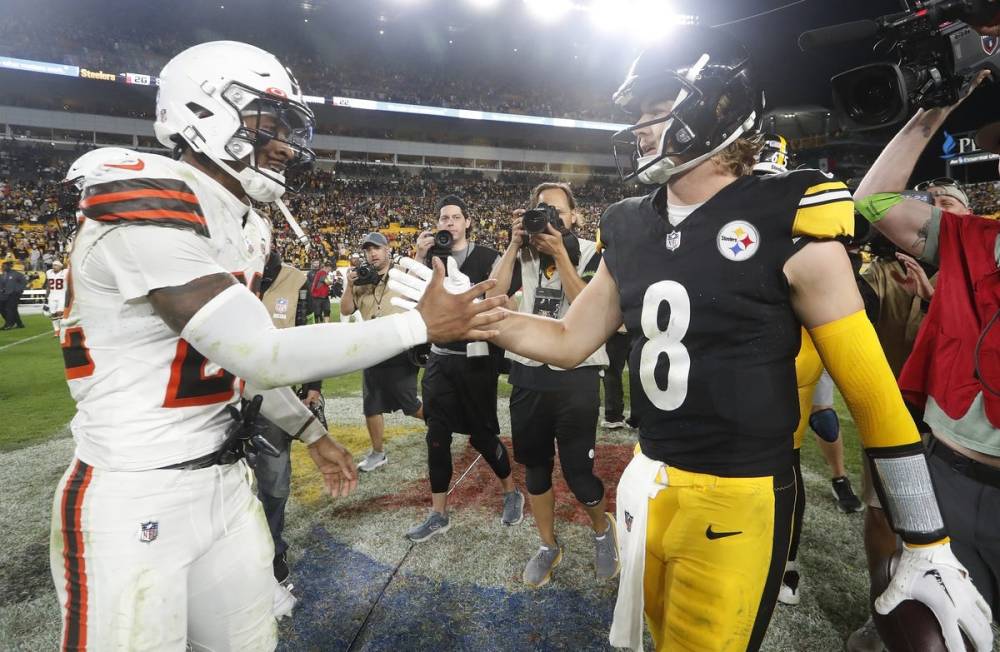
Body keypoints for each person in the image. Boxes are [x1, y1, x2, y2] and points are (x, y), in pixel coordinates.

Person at [423, 28, 989, 651]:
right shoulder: (630, 221)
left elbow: (874, 396)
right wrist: (471, 320)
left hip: (740, 493)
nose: (639, 129)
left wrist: (925, 538)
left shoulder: (788, 212)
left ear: (713, 114)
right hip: (651, 477)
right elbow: (567, 339)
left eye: (653, 113)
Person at [49, 41, 505, 651]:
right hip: (135, 492)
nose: (288, 143)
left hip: (224, 480)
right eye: (272, 121)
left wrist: (311, 434)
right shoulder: (144, 197)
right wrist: (420, 325)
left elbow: (235, 366)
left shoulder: (244, 223)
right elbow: (257, 352)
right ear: (204, 110)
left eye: (291, 126)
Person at [852, 70, 1000, 639]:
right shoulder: (970, 239)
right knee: (939, 635)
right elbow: (870, 202)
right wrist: (933, 109)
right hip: (947, 476)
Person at [488, 182, 616, 587]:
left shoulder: (596, 254)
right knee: (537, 473)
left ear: (575, 217)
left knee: (579, 473)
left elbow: (589, 310)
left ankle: (602, 532)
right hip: (527, 373)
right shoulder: (523, 253)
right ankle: (548, 544)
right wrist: (511, 245)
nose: (550, 216)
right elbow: (493, 293)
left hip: (576, 374)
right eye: (541, 209)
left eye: (558, 211)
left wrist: (561, 253)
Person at [404, 194, 524, 542]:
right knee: (436, 437)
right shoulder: (430, 259)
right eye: (444, 218)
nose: (449, 223)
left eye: (455, 217)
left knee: (483, 435)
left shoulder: (488, 257)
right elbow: (416, 305)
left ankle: (510, 491)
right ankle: (438, 513)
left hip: (476, 359)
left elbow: (508, 300)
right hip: (441, 359)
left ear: (468, 222)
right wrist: (418, 258)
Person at [251, 249, 323, 612]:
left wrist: (313, 385)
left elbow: (310, 335)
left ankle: (273, 551)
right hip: (222, 399)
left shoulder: (298, 279)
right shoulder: (223, 271)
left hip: (275, 398)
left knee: (274, 483)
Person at [341, 231, 424, 472]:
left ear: (388, 249)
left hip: (400, 348)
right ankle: (378, 453)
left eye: (376, 248)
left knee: (409, 404)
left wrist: (419, 252)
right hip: (371, 348)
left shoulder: (401, 275)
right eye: (368, 250)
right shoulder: (360, 280)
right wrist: (349, 284)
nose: (372, 253)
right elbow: (346, 310)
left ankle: (445, 425)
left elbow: (418, 272)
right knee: (372, 404)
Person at [601, 326, 631, 429]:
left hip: (616, 331)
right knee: (640, 374)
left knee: (611, 374)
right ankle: (640, 418)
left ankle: (613, 417)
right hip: (640, 329)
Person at [0, 260, 27, 329]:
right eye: (2, 266)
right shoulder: (2, 275)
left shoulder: (16, 274)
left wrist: (18, 290)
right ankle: (19, 324)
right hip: (4, 295)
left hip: (14, 294)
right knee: (4, 309)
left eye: (4, 266)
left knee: (10, 308)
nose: (2, 267)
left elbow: (24, 282)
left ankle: (9, 324)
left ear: (9, 266)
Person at [45, 259, 68, 337]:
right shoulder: (49, 272)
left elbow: (68, 266)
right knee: (53, 313)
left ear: (60, 267)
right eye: (53, 265)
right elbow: (48, 284)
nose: (53, 266)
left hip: (62, 295)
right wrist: (46, 295)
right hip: (52, 295)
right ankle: (57, 330)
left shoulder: (65, 272)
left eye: (56, 265)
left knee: (60, 312)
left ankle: (62, 330)